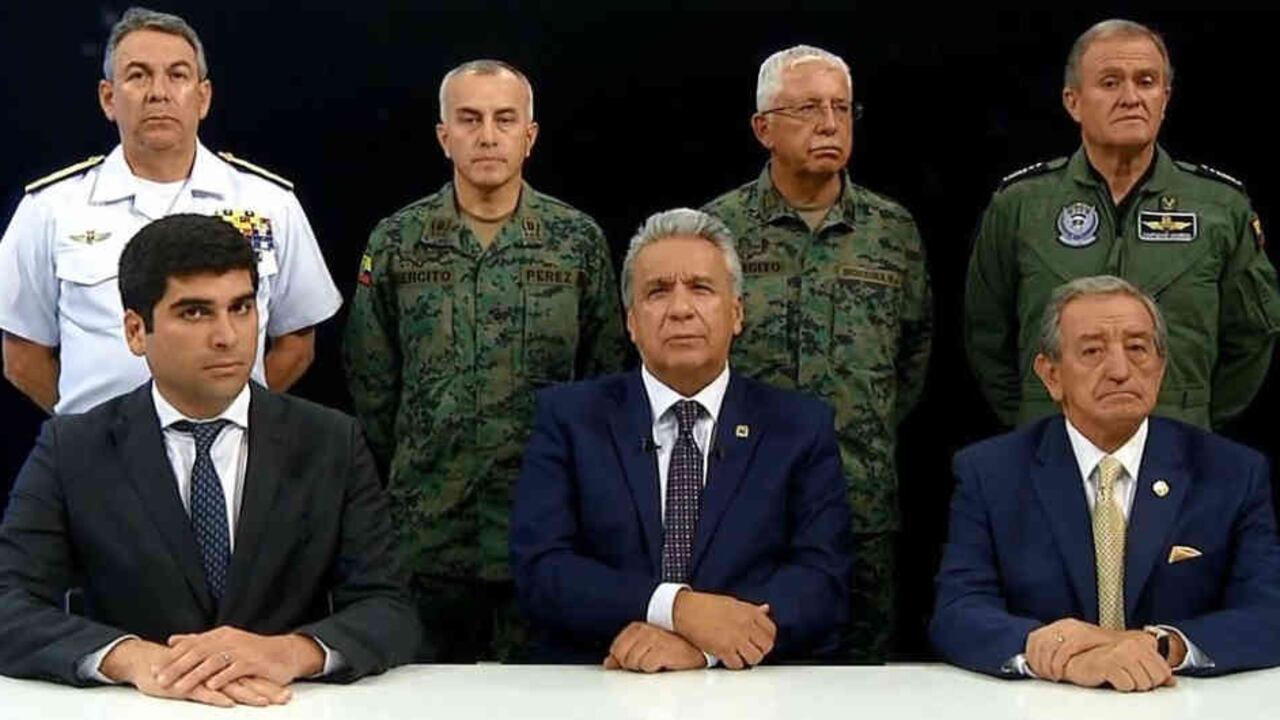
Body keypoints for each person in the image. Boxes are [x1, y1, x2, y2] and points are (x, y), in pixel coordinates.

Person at [0, 214, 417, 706]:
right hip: (136, 710)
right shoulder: (73, 448)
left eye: (241, 308)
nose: (227, 336)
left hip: (286, 707)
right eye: (195, 313)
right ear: (136, 330)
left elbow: (390, 608)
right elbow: (9, 604)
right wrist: (132, 659)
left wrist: (290, 652)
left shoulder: (330, 442)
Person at [343, 59, 627, 662]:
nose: (488, 135)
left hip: (548, 529)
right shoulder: (397, 241)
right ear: (444, 135)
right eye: (469, 120)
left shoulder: (576, 241)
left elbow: (606, 379)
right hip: (426, 532)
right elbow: (371, 380)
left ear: (531, 134)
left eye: (505, 119)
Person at [511, 208, 850, 670]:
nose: (680, 308)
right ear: (631, 322)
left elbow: (820, 580)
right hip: (599, 682)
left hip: (749, 692)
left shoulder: (799, 427)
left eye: (701, 288)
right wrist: (675, 607)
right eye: (657, 291)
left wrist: (704, 648)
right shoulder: (570, 419)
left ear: (736, 313)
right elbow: (542, 570)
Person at [932, 275, 1280, 691]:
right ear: (1051, 374)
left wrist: (1155, 646)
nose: (1119, 370)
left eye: (1137, 349)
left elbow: (1269, 613)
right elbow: (958, 611)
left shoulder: (1231, 472)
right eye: (1093, 351)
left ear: (1161, 365)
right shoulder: (991, 472)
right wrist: (1067, 656)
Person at [703, 44, 932, 661]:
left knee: (857, 685)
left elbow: (911, 358)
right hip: (740, 506)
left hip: (860, 505)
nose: (830, 124)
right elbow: (690, 365)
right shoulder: (714, 231)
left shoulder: (892, 231)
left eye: (841, 107)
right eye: (807, 108)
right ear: (763, 128)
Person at [0, 6, 341, 415]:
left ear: (203, 97)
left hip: (233, 460)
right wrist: (91, 437)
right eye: (138, 75)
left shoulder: (269, 203)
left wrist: (227, 417)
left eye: (177, 75)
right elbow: (22, 357)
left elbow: (297, 344)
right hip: (98, 465)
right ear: (108, 98)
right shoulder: (51, 209)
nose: (158, 92)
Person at [965, 18, 1280, 430]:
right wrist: (1039, 415)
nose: (1131, 97)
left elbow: (1252, 340)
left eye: (1146, 81)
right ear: (1072, 101)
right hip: (1050, 448)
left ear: (1164, 99)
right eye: (1111, 82)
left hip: (1177, 450)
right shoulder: (1021, 206)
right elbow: (986, 334)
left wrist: (1185, 415)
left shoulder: (1220, 208)